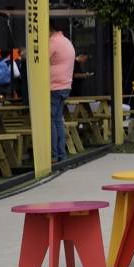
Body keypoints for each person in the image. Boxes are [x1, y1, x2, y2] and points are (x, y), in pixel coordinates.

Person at [48, 19, 76, 163]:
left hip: (54, 86)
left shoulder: (53, 42)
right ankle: (61, 154)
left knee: (50, 120)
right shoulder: (66, 41)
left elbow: (39, 59)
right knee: (58, 120)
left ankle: (53, 154)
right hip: (65, 85)